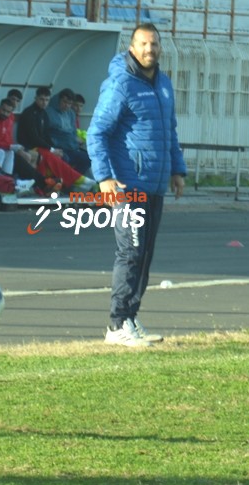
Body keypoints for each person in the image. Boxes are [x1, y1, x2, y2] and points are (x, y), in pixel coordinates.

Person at [86, 23, 186, 347]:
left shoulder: (164, 84)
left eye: (154, 44)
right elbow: (97, 132)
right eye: (143, 44)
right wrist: (104, 178)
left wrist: (177, 169)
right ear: (132, 48)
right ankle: (116, 325)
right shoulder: (121, 84)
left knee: (144, 255)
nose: (149, 49)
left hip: (154, 185)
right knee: (130, 252)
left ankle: (130, 317)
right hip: (127, 187)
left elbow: (169, 130)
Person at [47, 88, 92, 174]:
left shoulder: (71, 113)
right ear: (59, 100)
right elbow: (47, 133)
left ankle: (73, 178)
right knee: (65, 159)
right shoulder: (49, 112)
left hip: (71, 147)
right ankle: (69, 178)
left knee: (89, 158)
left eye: (69, 103)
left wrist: (75, 143)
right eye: (64, 102)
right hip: (58, 147)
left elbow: (73, 132)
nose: (67, 105)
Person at [17, 86, 57, 153]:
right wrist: (51, 149)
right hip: (29, 147)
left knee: (63, 155)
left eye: (47, 100)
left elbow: (46, 134)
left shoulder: (44, 113)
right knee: (56, 157)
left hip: (41, 146)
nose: (44, 102)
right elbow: (33, 138)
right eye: (42, 99)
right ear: (36, 98)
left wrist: (54, 148)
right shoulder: (28, 113)